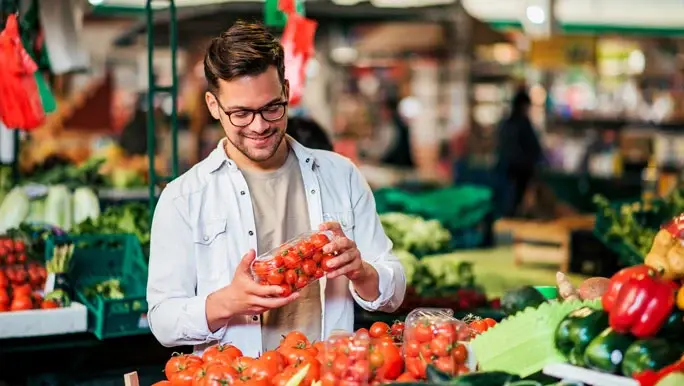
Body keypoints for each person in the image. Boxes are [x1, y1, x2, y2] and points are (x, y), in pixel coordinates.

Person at [146, 21, 406, 356]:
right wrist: (226, 302)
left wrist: (362, 271)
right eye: (241, 113)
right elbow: (163, 321)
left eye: (272, 107)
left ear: (285, 90)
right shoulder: (183, 198)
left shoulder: (340, 175)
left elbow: (394, 289)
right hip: (238, 376)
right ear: (213, 106)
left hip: (328, 373)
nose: (259, 126)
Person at [496, 88, 543, 217]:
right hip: (519, 171)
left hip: (508, 170)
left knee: (509, 203)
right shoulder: (522, 124)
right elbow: (535, 148)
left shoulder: (506, 124)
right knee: (515, 203)